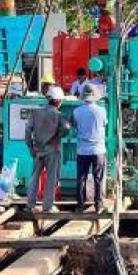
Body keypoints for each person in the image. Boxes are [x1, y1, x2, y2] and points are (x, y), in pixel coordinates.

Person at [25, 86, 68, 212]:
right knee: (51, 178)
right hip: (52, 151)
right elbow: (67, 128)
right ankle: (47, 206)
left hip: (37, 150)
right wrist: (59, 135)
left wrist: (30, 147)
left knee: (34, 177)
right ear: (58, 101)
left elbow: (28, 130)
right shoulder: (59, 115)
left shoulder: (36, 112)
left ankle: (30, 205)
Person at [73, 82, 108, 212]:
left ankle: (80, 206)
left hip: (82, 149)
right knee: (98, 178)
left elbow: (76, 127)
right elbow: (105, 124)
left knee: (81, 178)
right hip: (98, 150)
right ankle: (98, 205)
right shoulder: (102, 110)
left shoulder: (77, 111)